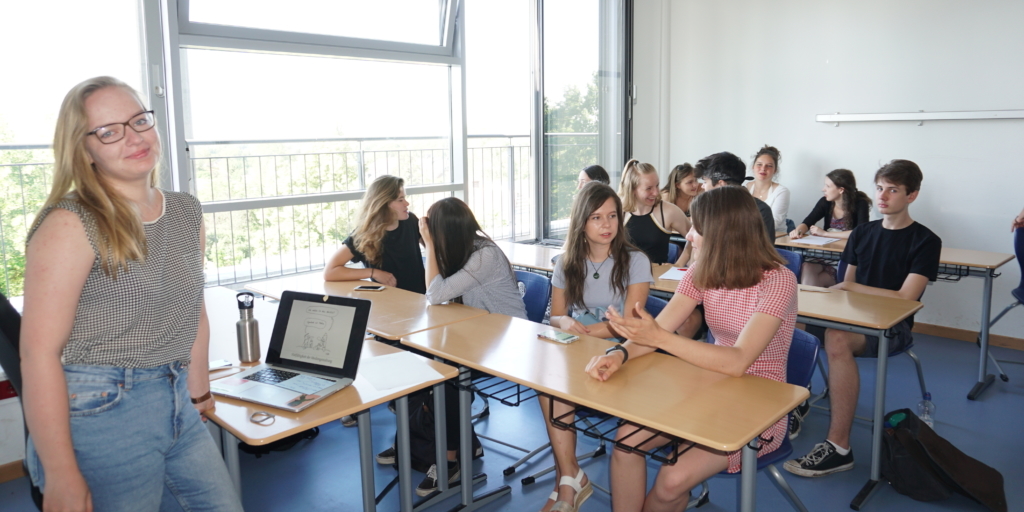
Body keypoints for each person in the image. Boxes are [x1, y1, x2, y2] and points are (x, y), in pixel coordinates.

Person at [20, 77, 242, 511]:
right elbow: (38, 353)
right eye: (109, 131)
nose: (134, 138)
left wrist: (198, 391)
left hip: (175, 395)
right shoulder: (72, 222)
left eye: (139, 121)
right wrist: (61, 474)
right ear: (84, 150)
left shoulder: (185, 210)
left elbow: (192, 309)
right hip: (104, 407)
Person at [585, 186, 797, 512]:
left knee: (672, 481)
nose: (689, 236)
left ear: (724, 234)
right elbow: (660, 329)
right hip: (709, 386)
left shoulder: (778, 281)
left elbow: (738, 361)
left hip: (760, 405)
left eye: (697, 228)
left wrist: (659, 338)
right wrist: (619, 354)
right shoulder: (702, 271)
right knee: (625, 443)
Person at [785, 160, 941, 478]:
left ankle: (839, 448)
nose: (882, 196)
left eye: (893, 190)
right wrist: (848, 289)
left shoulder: (926, 241)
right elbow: (847, 287)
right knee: (790, 321)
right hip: (851, 316)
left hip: (892, 327)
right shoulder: (863, 233)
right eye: (880, 188)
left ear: (911, 195)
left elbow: (905, 297)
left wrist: (852, 288)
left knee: (837, 338)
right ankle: (797, 400)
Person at [540, 182, 652, 512]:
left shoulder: (635, 260)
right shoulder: (567, 261)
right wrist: (563, 322)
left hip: (625, 350)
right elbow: (556, 315)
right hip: (579, 345)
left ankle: (567, 482)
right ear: (581, 223)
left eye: (613, 216)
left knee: (558, 389)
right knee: (547, 386)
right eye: (596, 217)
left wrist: (586, 331)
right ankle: (569, 476)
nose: (607, 225)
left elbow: (632, 324)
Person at [410, 197, 527, 496]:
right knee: (422, 365)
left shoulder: (484, 255)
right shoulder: (461, 250)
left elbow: (435, 294)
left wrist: (430, 246)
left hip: (512, 341)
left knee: (447, 378)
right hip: (480, 336)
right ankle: (446, 443)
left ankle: (450, 462)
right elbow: (439, 296)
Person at [324, 175, 425, 293]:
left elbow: (434, 249)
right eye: (400, 200)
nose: (407, 203)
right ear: (383, 204)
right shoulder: (364, 235)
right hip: (386, 299)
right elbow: (330, 272)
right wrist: (373, 273)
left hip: (420, 297)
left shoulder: (411, 220)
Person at [789, 169, 873, 286]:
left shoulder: (860, 203)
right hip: (823, 254)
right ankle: (809, 297)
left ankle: (808, 297)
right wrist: (798, 231)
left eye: (828, 186)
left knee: (812, 282)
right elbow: (807, 222)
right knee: (806, 266)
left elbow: (860, 233)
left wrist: (825, 234)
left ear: (841, 190)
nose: (823, 189)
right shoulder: (826, 202)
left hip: (844, 258)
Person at [619, 159, 690, 265]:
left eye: (657, 185)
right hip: (624, 273)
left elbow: (696, 238)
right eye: (649, 188)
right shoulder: (618, 211)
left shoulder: (669, 211)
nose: (656, 193)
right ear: (632, 189)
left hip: (657, 274)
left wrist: (678, 265)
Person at [744, 145, 790, 233]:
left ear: (775, 170)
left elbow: (773, 223)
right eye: (759, 164)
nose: (763, 169)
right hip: (747, 236)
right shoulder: (744, 188)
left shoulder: (782, 192)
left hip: (774, 238)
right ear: (753, 167)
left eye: (769, 166)